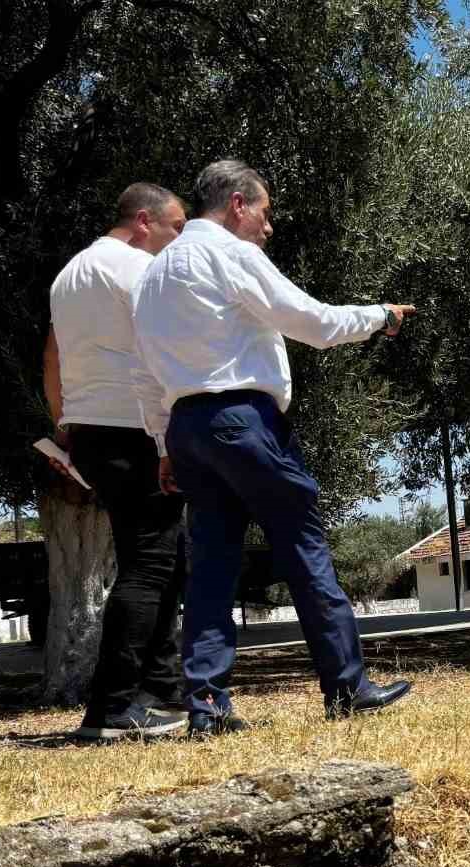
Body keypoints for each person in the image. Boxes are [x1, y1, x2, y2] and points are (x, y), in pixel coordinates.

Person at [131, 159, 415, 736]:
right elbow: (310, 322)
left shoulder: (153, 276)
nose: (268, 225)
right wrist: (379, 316)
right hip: (243, 420)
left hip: (186, 427)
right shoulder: (232, 254)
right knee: (302, 545)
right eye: (263, 210)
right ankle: (347, 685)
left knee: (211, 564)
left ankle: (206, 703)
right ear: (237, 204)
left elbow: (144, 373)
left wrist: (163, 444)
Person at [45, 182, 189, 740]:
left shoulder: (69, 275)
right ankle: (110, 708)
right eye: (177, 227)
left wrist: (64, 426)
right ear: (145, 221)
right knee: (151, 563)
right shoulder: (134, 269)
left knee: (163, 558)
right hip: (133, 429)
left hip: (90, 431)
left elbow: (53, 354)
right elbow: (167, 349)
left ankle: (165, 694)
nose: (180, 239)